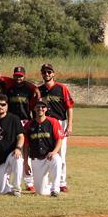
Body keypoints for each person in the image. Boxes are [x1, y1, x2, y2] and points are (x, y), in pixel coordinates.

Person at [38, 63, 74, 193]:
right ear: (41, 74)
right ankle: (46, 182)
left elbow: (69, 107)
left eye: (49, 72)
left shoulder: (61, 88)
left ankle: (62, 183)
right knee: (45, 152)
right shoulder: (39, 90)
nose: (47, 74)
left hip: (59, 122)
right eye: (44, 72)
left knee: (60, 153)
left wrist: (69, 124)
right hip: (45, 123)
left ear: (53, 73)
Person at [0, 94, 25, 196]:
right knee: (0, 191)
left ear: (7, 106)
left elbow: (21, 136)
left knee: (18, 159)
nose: (0, 107)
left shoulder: (14, 119)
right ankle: (3, 186)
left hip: (11, 154)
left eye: (3, 104)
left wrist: (18, 148)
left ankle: (17, 188)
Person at [26, 100, 65, 197]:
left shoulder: (53, 122)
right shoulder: (29, 125)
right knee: (40, 192)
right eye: (38, 107)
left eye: (43, 107)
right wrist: (26, 162)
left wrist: (54, 152)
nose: (40, 109)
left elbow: (59, 139)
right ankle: (48, 186)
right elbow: (26, 145)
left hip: (49, 156)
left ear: (46, 109)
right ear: (34, 109)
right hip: (36, 158)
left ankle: (55, 189)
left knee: (57, 159)